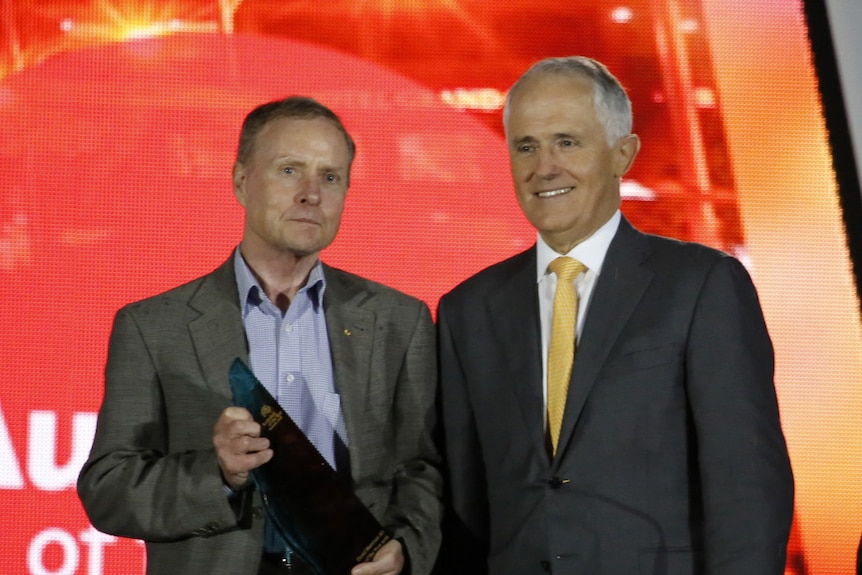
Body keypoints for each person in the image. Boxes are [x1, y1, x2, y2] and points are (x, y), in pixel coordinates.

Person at [435, 56, 794, 574]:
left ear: (622, 154)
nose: (544, 167)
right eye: (526, 146)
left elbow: (747, 488)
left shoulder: (702, 285)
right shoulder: (466, 310)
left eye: (567, 141)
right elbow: (466, 506)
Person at [78, 97, 442, 575]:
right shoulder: (153, 328)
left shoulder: (401, 321)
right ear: (241, 182)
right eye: (290, 171)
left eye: (330, 177)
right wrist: (220, 472)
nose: (312, 193)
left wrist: (407, 549)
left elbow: (422, 471)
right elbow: (109, 488)